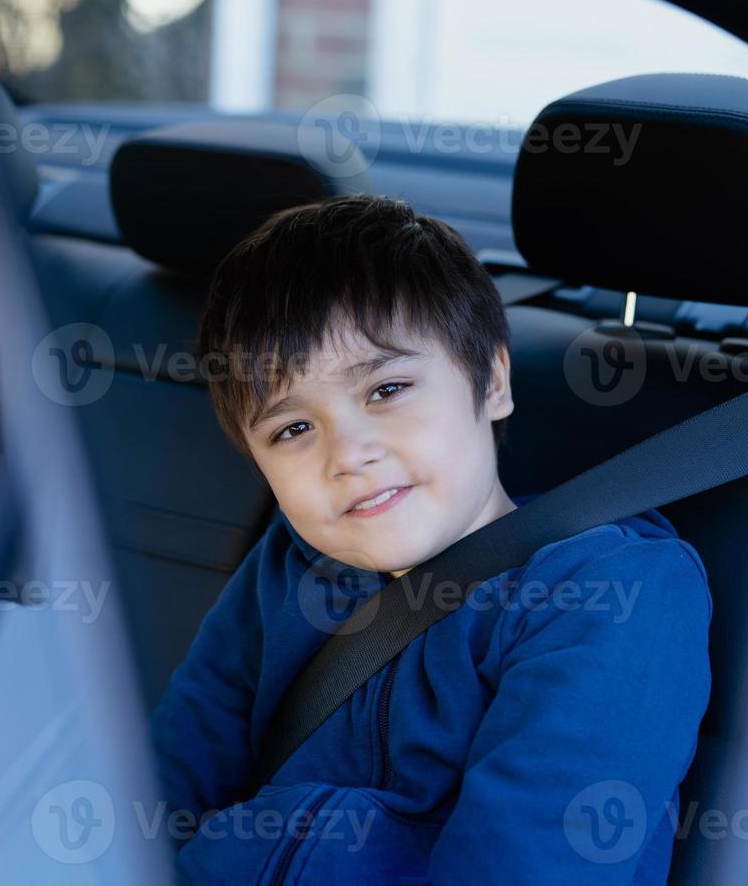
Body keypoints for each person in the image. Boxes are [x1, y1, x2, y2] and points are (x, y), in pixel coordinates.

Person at [152, 194, 711, 882]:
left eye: (386, 390)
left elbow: (528, 863)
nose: (347, 454)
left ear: (494, 380)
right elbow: (162, 792)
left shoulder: (608, 597)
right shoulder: (290, 570)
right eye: (293, 429)